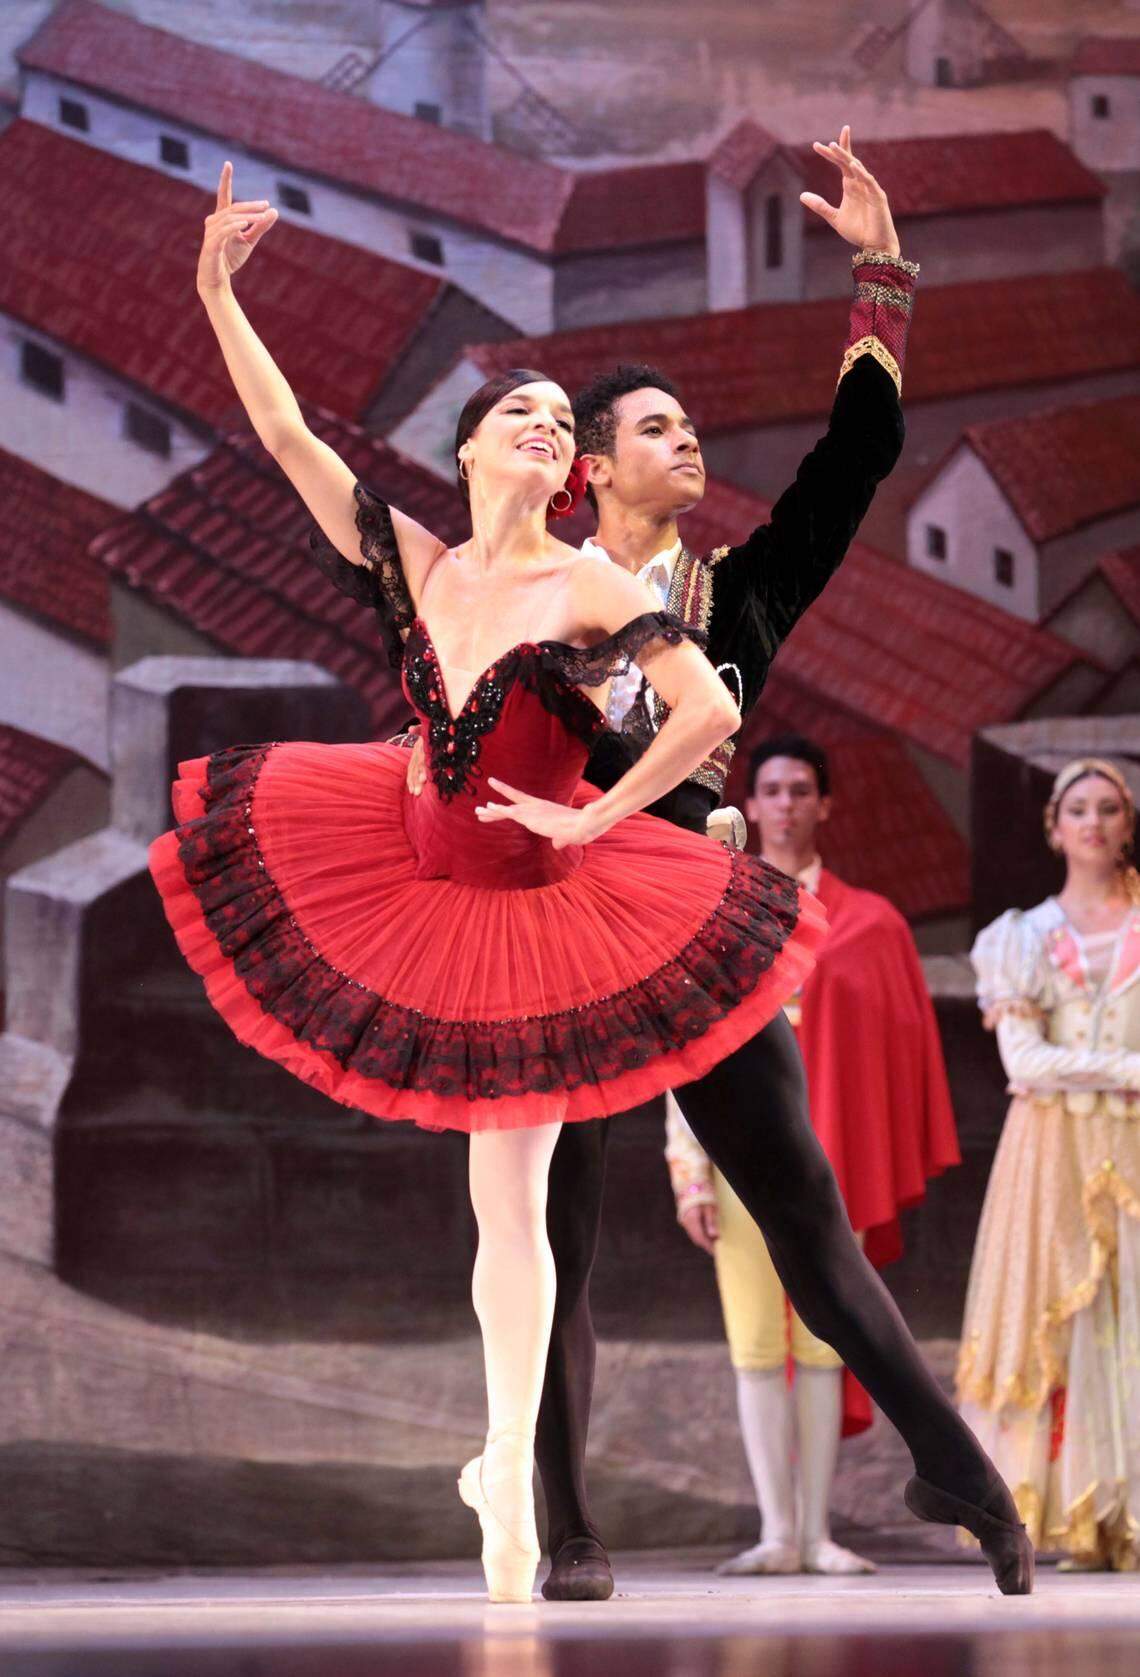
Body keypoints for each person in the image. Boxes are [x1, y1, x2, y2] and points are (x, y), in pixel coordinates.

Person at [149, 160, 833, 1604]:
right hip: (400, 871)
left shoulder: (588, 583)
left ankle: (506, 1495)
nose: (539, 426)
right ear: (468, 453)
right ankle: (503, 1467)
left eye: (553, 421)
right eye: (513, 413)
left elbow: (707, 713)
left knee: (512, 1204)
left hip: (531, 908)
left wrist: (599, 823)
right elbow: (283, 430)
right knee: (493, 1210)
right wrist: (215, 285)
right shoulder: (413, 563)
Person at [400, 129, 1033, 1601]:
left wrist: (882, 275)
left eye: (691, 431)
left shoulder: (734, 595)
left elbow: (857, 454)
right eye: (660, 431)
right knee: (558, 1223)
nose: (688, 447)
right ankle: (561, 1519)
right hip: (553, 912)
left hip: (688, 917)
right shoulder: (545, 595)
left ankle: (957, 1466)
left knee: (800, 1201)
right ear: (596, 467)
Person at [664, 736, 960, 1576]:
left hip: (835, 1162)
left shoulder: (868, 923)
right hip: (737, 1155)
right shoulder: (718, 905)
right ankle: (776, 1532)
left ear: (824, 803)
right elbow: (682, 1044)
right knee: (757, 1342)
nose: (787, 804)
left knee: (830, 1340)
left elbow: (896, 1054)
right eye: (772, 790)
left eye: (802, 789)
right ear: (748, 805)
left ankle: (820, 1531)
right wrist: (689, 1173)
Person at [958, 758, 1140, 1572]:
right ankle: (1071, 1511)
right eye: (1078, 808)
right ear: (1053, 826)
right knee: (1060, 1316)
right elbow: (1024, 1059)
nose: (1093, 822)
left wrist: (1090, 1063)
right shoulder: (1022, 936)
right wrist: (1130, 1068)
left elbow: (1045, 1056)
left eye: (1108, 807)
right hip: (1052, 1147)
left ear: (1128, 822)